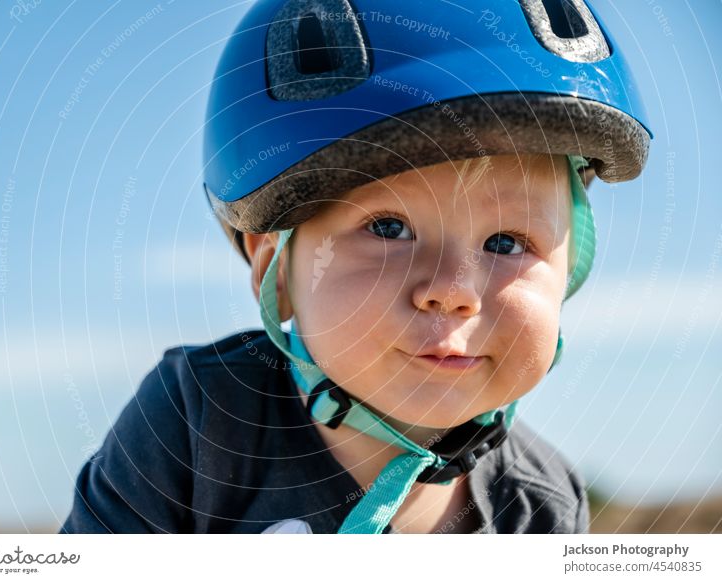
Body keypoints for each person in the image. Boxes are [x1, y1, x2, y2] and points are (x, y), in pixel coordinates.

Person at [59, 0, 651, 534]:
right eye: (388, 229)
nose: (451, 290)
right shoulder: (201, 421)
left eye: (507, 242)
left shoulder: (540, 505)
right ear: (278, 272)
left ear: (568, 272)